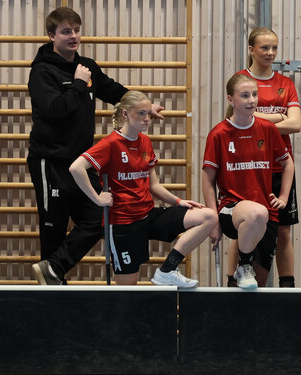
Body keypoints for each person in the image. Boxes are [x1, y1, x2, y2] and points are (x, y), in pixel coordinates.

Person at [28, 6, 163, 285]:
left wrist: (143, 108)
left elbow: (113, 91)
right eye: (66, 31)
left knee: (97, 219)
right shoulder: (42, 71)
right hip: (51, 162)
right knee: (53, 231)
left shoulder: (87, 66)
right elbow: (53, 111)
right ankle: (52, 292)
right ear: (52, 35)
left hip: (80, 162)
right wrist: (78, 84)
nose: (73, 36)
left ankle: (54, 268)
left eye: (76, 30)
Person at [69, 91, 216, 287]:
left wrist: (179, 201)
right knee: (128, 291)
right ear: (125, 114)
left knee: (208, 216)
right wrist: (96, 198)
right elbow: (76, 168)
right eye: (141, 113)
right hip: (123, 223)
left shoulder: (145, 141)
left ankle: (167, 270)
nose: (147, 119)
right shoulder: (110, 143)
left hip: (148, 215)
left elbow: (153, 185)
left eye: (148, 113)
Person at [201, 73, 294, 290]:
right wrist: (213, 218)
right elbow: (207, 179)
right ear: (230, 99)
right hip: (231, 210)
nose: (252, 100)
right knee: (256, 214)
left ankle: (245, 274)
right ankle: (243, 265)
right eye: (244, 95)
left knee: (256, 285)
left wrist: (283, 197)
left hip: (265, 214)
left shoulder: (267, 129)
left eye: (254, 94)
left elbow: (288, 164)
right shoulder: (219, 134)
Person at [224, 27, 301, 287]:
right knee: (242, 227)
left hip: (279, 168)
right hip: (249, 168)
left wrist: (257, 120)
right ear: (251, 50)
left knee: (283, 231)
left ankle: (287, 287)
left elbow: (295, 124)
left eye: (274, 48)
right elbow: (235, 119)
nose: (270, 53)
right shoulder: (241, 80)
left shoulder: (285, 84)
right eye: (264, 47)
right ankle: (232, 283)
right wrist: (279, 117)